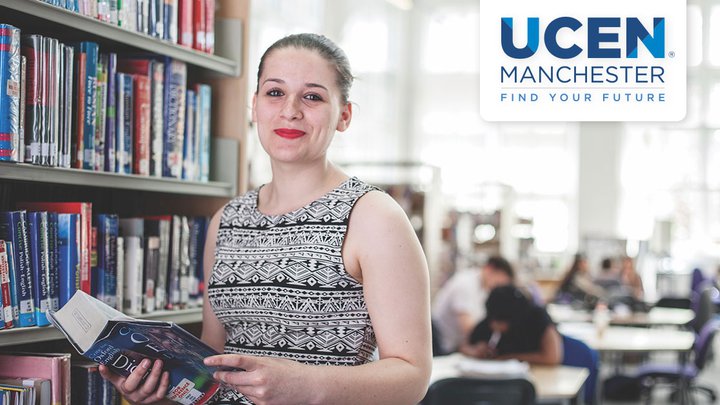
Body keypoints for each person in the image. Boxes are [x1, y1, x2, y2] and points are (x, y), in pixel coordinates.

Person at [99, 33, 432, 404]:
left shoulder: (373, 216)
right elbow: (213, 361)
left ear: (344, 115)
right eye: (275, 93)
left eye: (313, 96)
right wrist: (158, 390)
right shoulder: (227, 219)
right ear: (255, 105)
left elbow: (412, 376)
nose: (290, 110)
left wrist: (303, 385)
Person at [431, 256, 515, 355]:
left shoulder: (484, 289)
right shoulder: (465, 283)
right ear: (490, 269)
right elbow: (467, 327)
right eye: (499, 282)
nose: (498, 288)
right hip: (440, 345)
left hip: (456, 345)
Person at [461, 285, 562, 365]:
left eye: (500, 322)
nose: (494, 325)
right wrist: (475, 351)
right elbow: (463, 346)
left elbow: (552, 357)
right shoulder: (493, 317)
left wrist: (509, 358)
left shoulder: (537, 317)